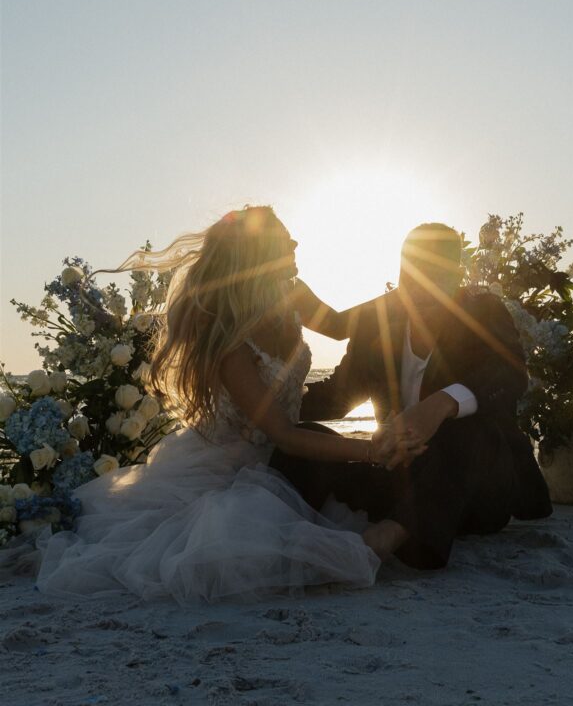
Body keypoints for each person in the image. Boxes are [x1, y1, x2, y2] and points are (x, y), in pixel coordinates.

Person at [30, 206, 423, 603]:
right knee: (244, 549)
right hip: (233, 466)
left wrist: (410, 294)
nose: (296, 243)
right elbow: (283, 435)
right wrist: (371, 449)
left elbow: (340, 327)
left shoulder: (293, 294)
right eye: (285, 239)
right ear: (260, 254)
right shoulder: (233, 347)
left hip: (286, 456)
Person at [272, 222, 553, 566]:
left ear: (456, 274)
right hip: (401, 477)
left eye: (435, 273)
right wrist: (269, 411)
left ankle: (390, 536)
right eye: (412, 271)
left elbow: (508, 375)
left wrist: (440, 405)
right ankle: (323, 527)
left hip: (473, 488)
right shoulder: (380, 323)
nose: (421, 285)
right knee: (299, 443)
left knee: (468, 429)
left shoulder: (482, 311)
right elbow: (338, 394)